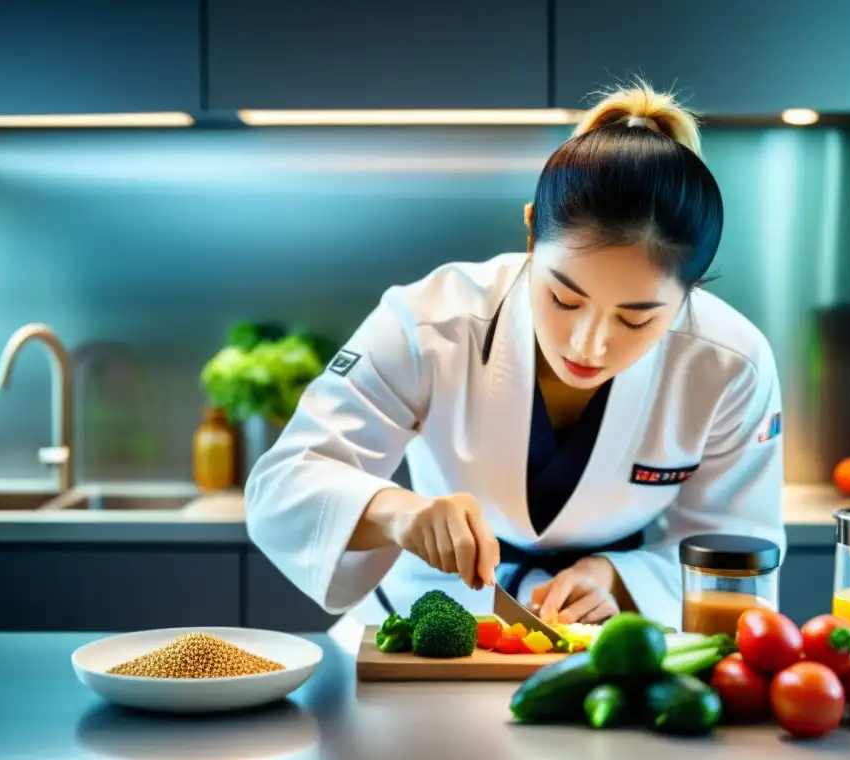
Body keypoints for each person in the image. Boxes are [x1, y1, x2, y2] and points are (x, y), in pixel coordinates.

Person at [244, 81, 786, 632]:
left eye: (636, 318)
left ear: (690, 292)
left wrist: (616, 578)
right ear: (531, 234)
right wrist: (400, 515)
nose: (588, 343)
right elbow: (283, 485)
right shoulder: (430, 322)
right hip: (423, 623)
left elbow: (738, 553)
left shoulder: (729, 365)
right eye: (564, 299)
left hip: (611, 633)